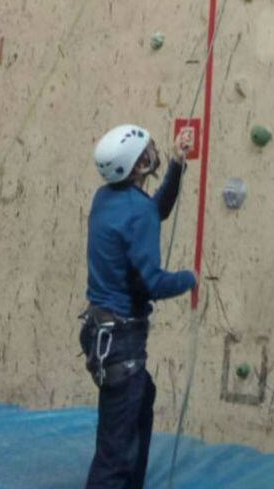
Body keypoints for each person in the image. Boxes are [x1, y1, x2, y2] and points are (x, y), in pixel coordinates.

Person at [81, 124, 196, 489]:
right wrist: (190, 279)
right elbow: (153, 283)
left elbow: (152, 209)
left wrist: (177, 163)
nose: (153, 152)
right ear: (138, 166)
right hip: (121, 340)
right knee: (113, 454)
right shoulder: (136, 211)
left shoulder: (106, 198)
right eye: (148, 151)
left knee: (142, 397)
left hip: (101, 332)